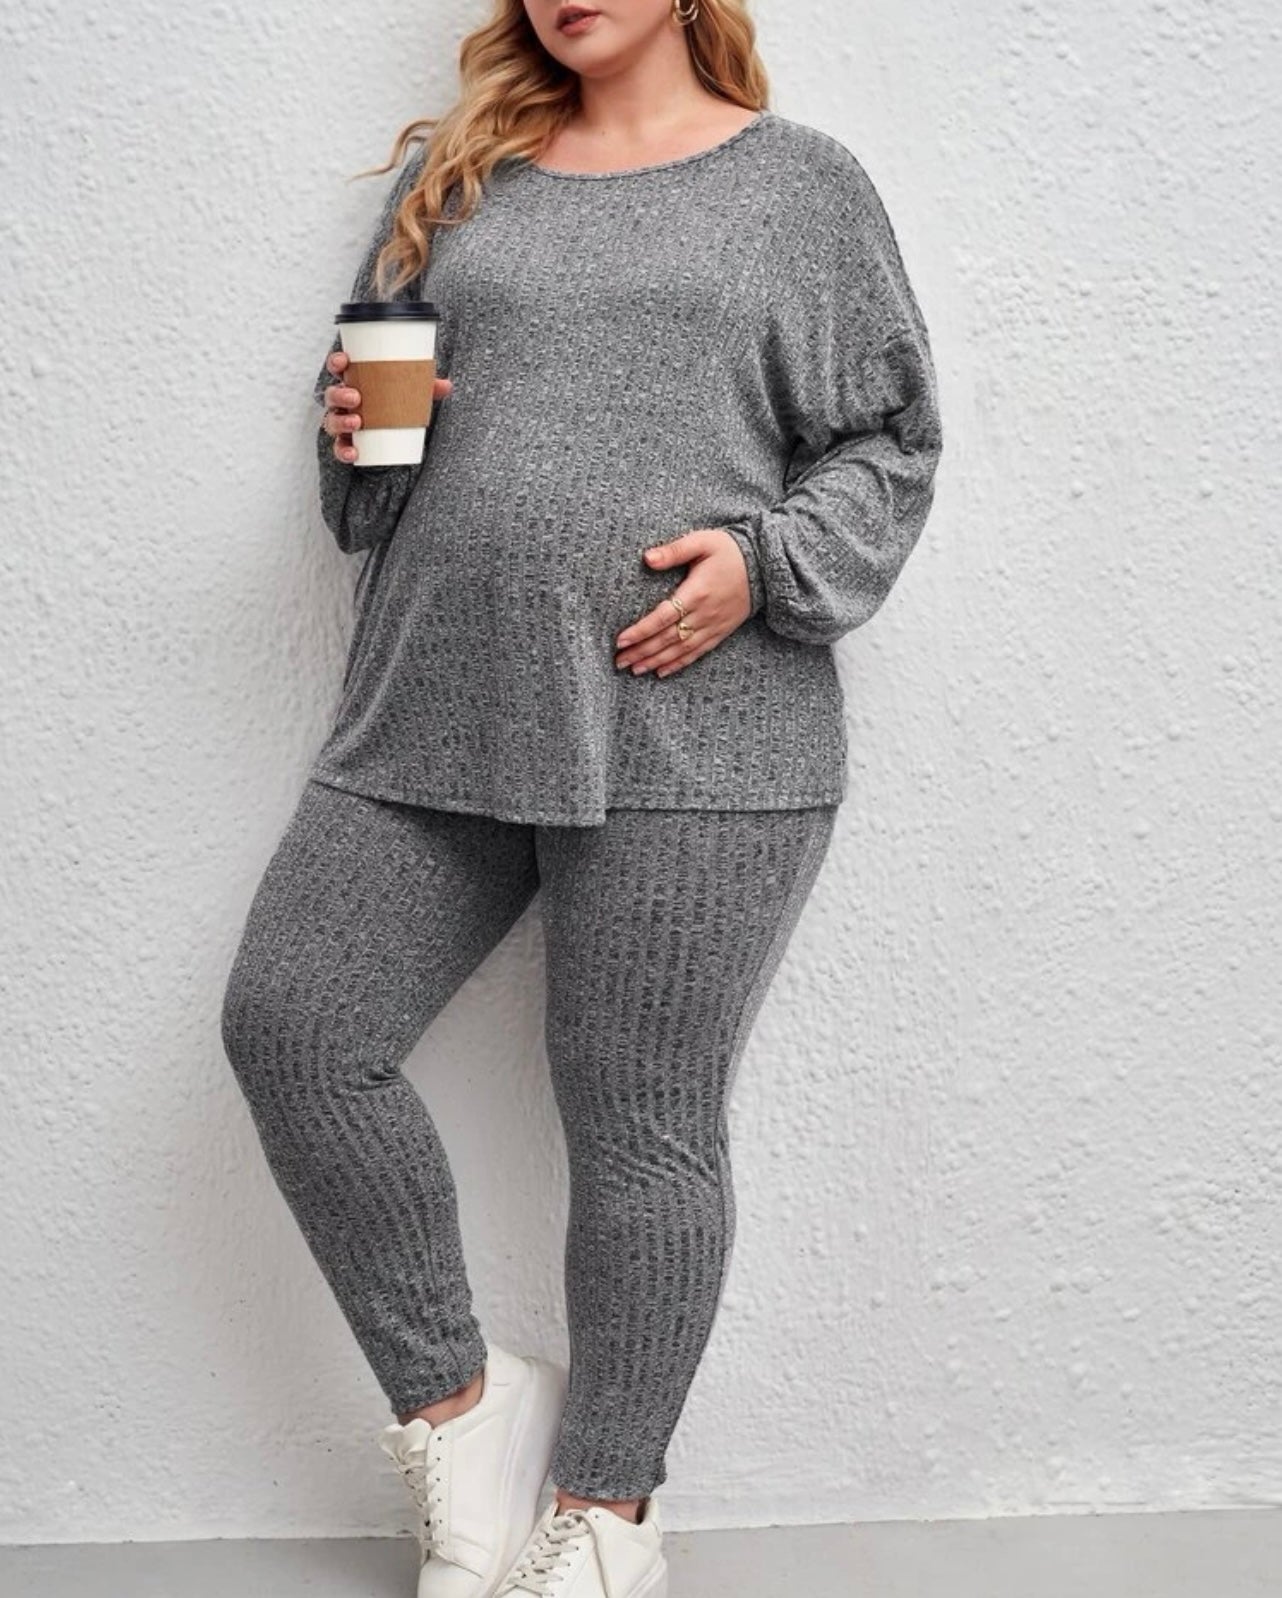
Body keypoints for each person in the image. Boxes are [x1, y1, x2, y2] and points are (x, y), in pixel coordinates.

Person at [219, 1, 944, 1594]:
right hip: (436, 703)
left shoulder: (799, 186)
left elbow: (890, 442)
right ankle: (462, 1411)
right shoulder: (458, 173)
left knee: (638, 1122)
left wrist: (764, 561)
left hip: (701, 730)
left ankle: (607, 1513)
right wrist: (356, 438)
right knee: (295, 1025)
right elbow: (365, 493)